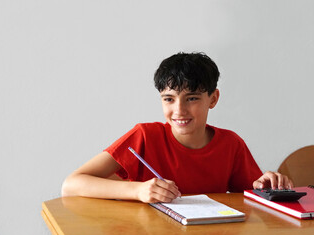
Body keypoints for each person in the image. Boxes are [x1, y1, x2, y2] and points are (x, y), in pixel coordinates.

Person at [61, 52, 293, 203]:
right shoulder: (144, 136)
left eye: (192, 98)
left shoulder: (231, 144)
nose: (179, 110)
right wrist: (139, 191)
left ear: (213, 99)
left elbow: (254, 196)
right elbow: (71, 184)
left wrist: (266, 185)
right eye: (169, 99)